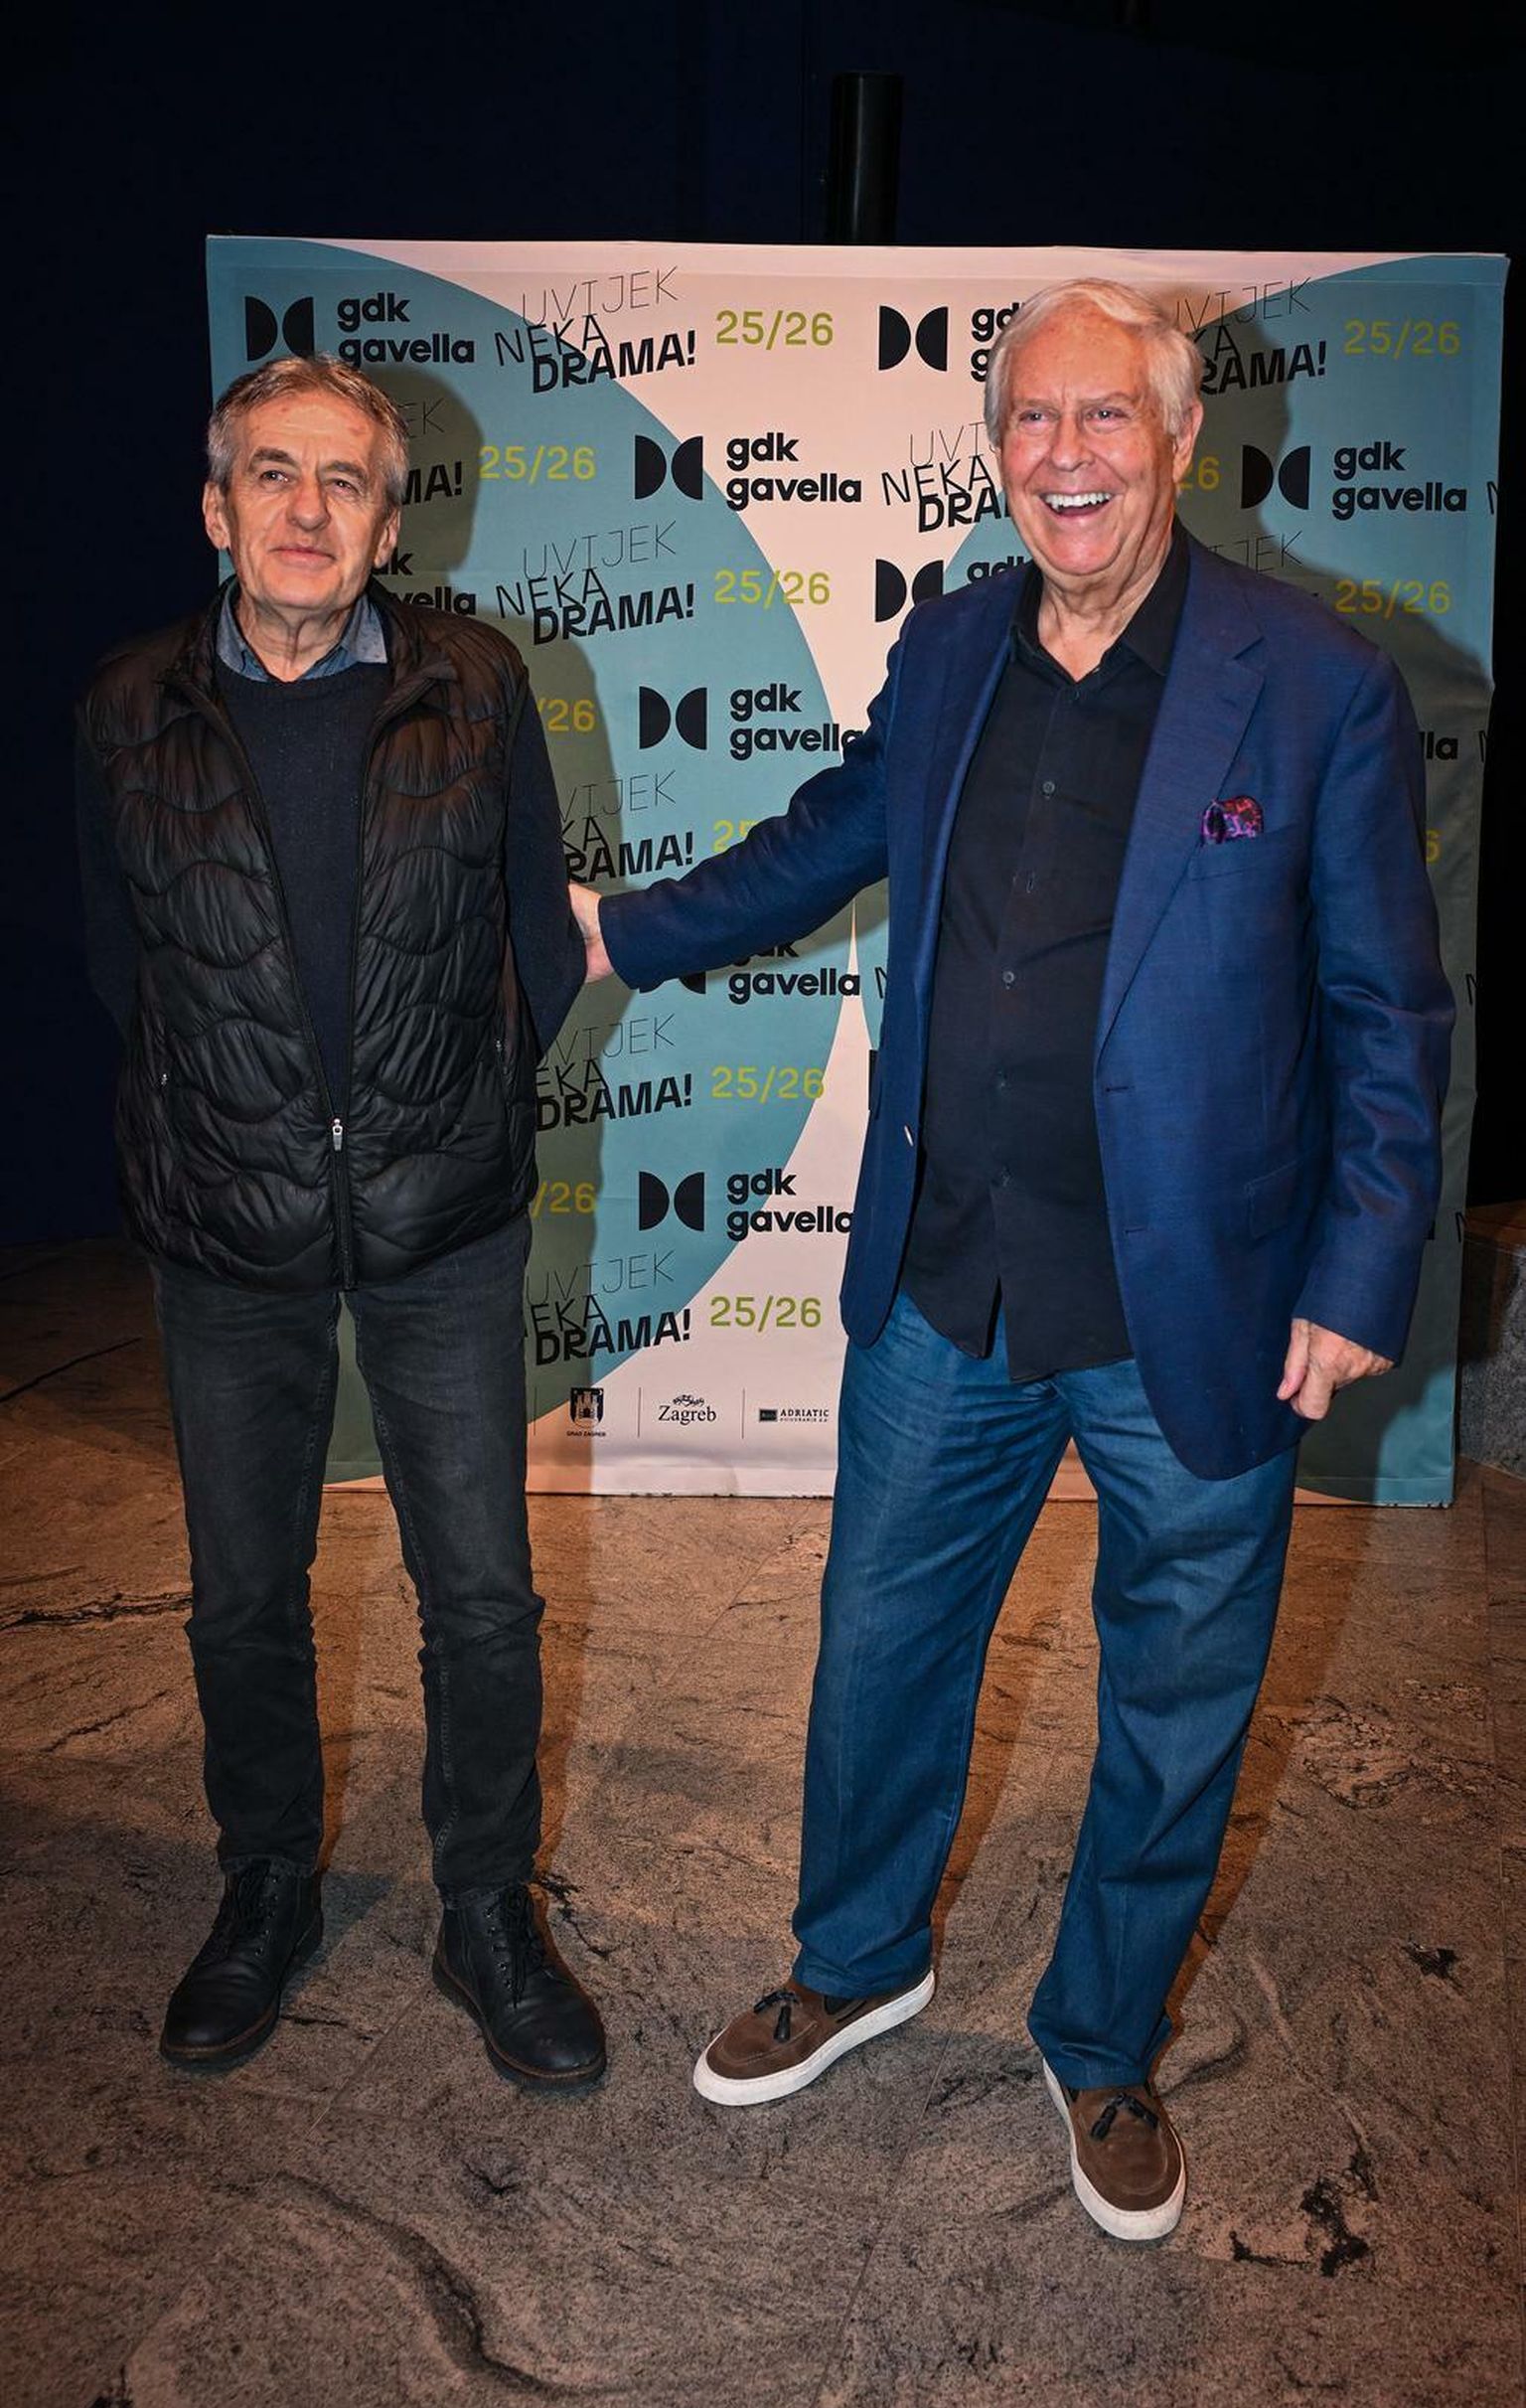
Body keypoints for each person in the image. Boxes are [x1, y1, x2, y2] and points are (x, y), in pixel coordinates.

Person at [571, 278, 1451, 2237]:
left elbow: (1390, 1011)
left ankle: (1105, 2036)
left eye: (1103, 418)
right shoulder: (956, 641)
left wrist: (1359, 1267)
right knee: (880, 1649)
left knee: (1178, 1697)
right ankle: (858, 1955)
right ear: (996, 451)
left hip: (1195, 1304)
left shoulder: (1317, 684)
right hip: (947, 1285)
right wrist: (630, 932)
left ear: (1178, 439)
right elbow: (832, 833)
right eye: (1031, 422)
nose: (1064, 457)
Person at [76, 354, 605, 2090]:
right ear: (215, 505)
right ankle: (266, 1887)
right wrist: (232, 1124)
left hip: (442, 1219)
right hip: (226, 1222)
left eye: (345, 481)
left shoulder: (480, 682)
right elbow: (118, 962)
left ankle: (485, 1909)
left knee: (485, 1596)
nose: (307, 510)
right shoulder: (124, 707)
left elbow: (537, 942)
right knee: (242, 1596)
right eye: (272, 474)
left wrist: (445, 1115)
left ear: (389, 523)